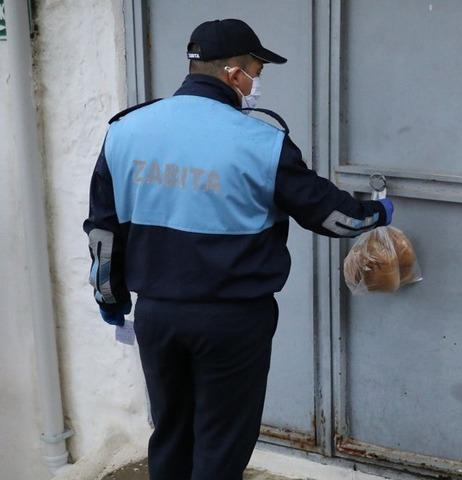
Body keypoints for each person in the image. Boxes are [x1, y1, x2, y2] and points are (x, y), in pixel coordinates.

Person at [82, 19, 393, 480]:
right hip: (232, 320)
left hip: (157, 317)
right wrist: (378, 213)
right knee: (221, 441)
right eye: (255, 70)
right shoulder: (261, 142)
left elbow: (102, 234)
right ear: (233, 73)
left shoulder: (126, 131)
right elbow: (332, 216)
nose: (256, 81)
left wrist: (111, 300)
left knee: (171, 431)